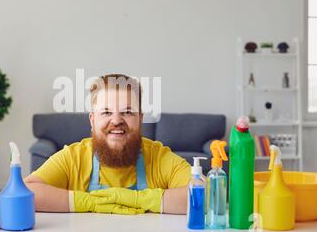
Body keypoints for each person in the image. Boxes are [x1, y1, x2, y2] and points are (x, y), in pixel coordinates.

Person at [24, 74, 191, 214]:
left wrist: (137, 199)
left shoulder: (159, 157)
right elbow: (22, 192)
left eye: (127, 112)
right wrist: (88, 202)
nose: (117, 120)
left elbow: (208, 194)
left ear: (140, 119)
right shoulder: (73, 158)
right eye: (106, 112)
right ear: (93, 119)